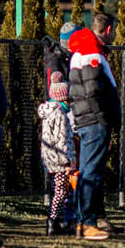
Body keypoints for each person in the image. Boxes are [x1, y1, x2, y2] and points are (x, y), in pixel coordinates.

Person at [67, 11, 121, 240]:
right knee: (91, 172)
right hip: (94, 121)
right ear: (108, 30)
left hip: (87, 119)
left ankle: (88, 219)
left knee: (90, 170)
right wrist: (103, 118)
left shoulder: (83, 49)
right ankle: (86, 222)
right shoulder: (92, 52)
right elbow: (93, 90)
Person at [37, 72, 78, 236]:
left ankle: (55, 221)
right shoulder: (60, 113)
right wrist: (68, 162)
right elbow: (63, 139)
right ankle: (52, 222)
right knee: (61, 191)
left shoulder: (49, 112)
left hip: (50, 157)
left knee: (59, 189)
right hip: (60, 158)